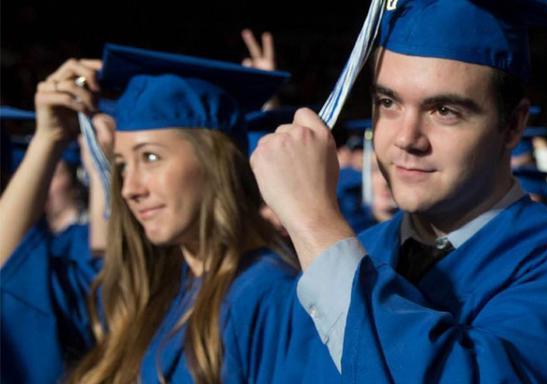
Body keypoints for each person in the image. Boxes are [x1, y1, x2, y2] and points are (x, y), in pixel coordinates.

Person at [249, 0, 547, 382]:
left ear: (513, 126)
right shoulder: (351, 254)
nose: (406, 138)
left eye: (444, 111)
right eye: (388, 102)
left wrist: (314, 224)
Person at [0, 45, 332, 383]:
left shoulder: (269, 296)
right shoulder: (153, 291)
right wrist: (49, 138)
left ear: (213, 163)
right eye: (121, 165)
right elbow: (9, 270)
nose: (129, 188)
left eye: (151, 157)